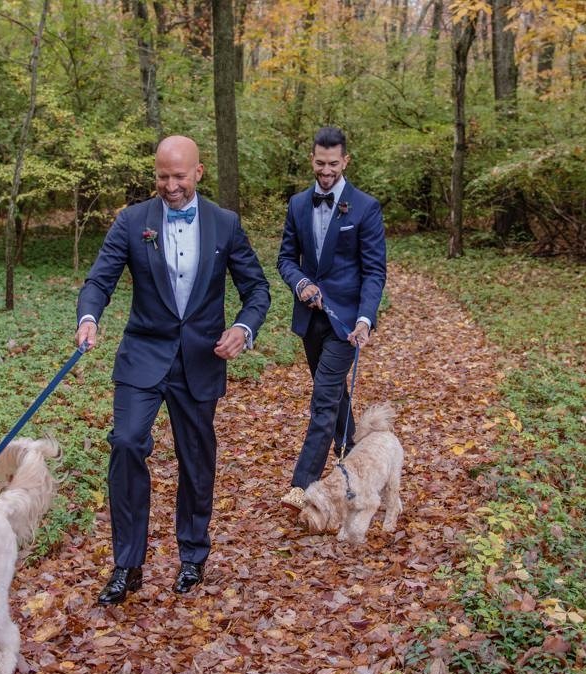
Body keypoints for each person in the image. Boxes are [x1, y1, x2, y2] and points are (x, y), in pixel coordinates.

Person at [75, 135, 270, 605]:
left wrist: (243, 329)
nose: (170, 185)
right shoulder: (132, 221)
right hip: (143, 355)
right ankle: (127, 564)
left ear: (198, 173)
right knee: (125, 443)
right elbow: (100, 279)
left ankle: (193, 555)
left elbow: (257, 290)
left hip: (201, 360)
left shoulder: (225, 225)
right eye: (163, 176)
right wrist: (88, 318)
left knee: (196, 459)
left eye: (179, 176)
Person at [277, 126, 388, 507]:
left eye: (333, 164)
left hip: (346, 323)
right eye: (320, 163)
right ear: (312, 159)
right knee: (335, 394)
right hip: (311, 320)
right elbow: (286, 260)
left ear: (346, 162)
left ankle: (301, 485)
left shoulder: (365, 207)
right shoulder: (297, 205)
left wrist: (365, 319)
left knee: (323, 399)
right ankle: (354, 455)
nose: (326, 171)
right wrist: (301, 283)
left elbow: (374, 271)